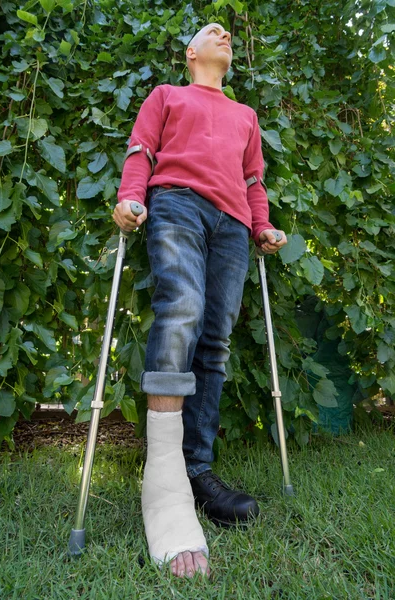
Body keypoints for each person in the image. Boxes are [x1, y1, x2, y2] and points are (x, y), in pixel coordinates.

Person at [112, 22, 288, 579]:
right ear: (191, 53)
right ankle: (163, 484)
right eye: (212, 32)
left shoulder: (246, 117)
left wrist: (262, 226)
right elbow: (141, 152)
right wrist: (129, 197)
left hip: (233, 226)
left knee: (214, 341)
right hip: (178, 204)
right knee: (181, 308)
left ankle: (197, 472)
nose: (225, 35)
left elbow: (254, 180)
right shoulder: (166, 97)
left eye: (228, 34)